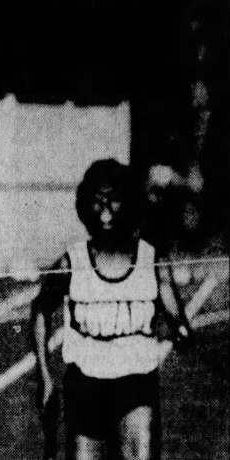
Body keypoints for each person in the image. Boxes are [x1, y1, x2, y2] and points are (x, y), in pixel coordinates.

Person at [31, 159, 193, 460]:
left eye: (114, 199)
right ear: (85, 206)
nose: (105, 209)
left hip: (135, 384)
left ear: (129, 202)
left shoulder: (151, 260)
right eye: (97, 200)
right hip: (86, 386)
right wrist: (45, 375)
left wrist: (181, 332)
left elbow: (177, 319)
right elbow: (40, 310)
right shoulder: (71, 263)